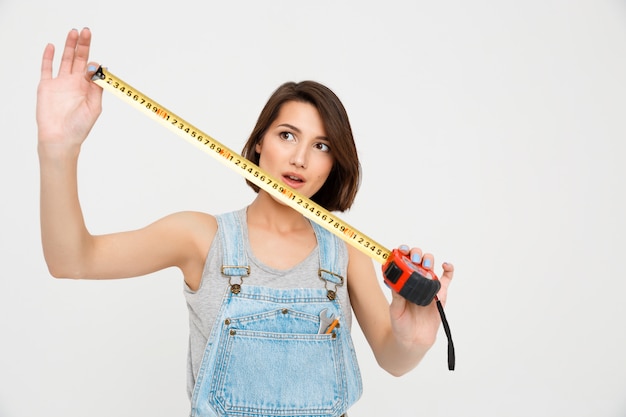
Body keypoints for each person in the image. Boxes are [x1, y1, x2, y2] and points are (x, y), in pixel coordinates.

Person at [37, 28, 454, 417]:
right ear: (259, 142)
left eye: (321, 145)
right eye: (287, 135)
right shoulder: (200, 237)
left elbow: (393, 360)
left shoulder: (346, 253)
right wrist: (58, 148)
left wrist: (412, 339)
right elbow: (72, 260)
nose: (300, 159)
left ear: (335, 162)